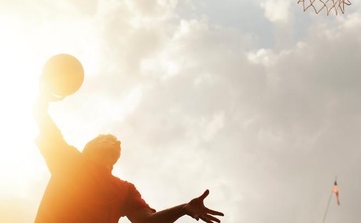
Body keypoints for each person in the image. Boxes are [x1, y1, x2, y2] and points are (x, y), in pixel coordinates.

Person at [33, 93, 224, 223]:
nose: (114, 141)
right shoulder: (70, 160)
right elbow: (46, 124)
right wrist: (42, 97)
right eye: (105, 138)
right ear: (89, 148)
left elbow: (146, 222)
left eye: (115, 140)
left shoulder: (125, 190)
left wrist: (183, 208)